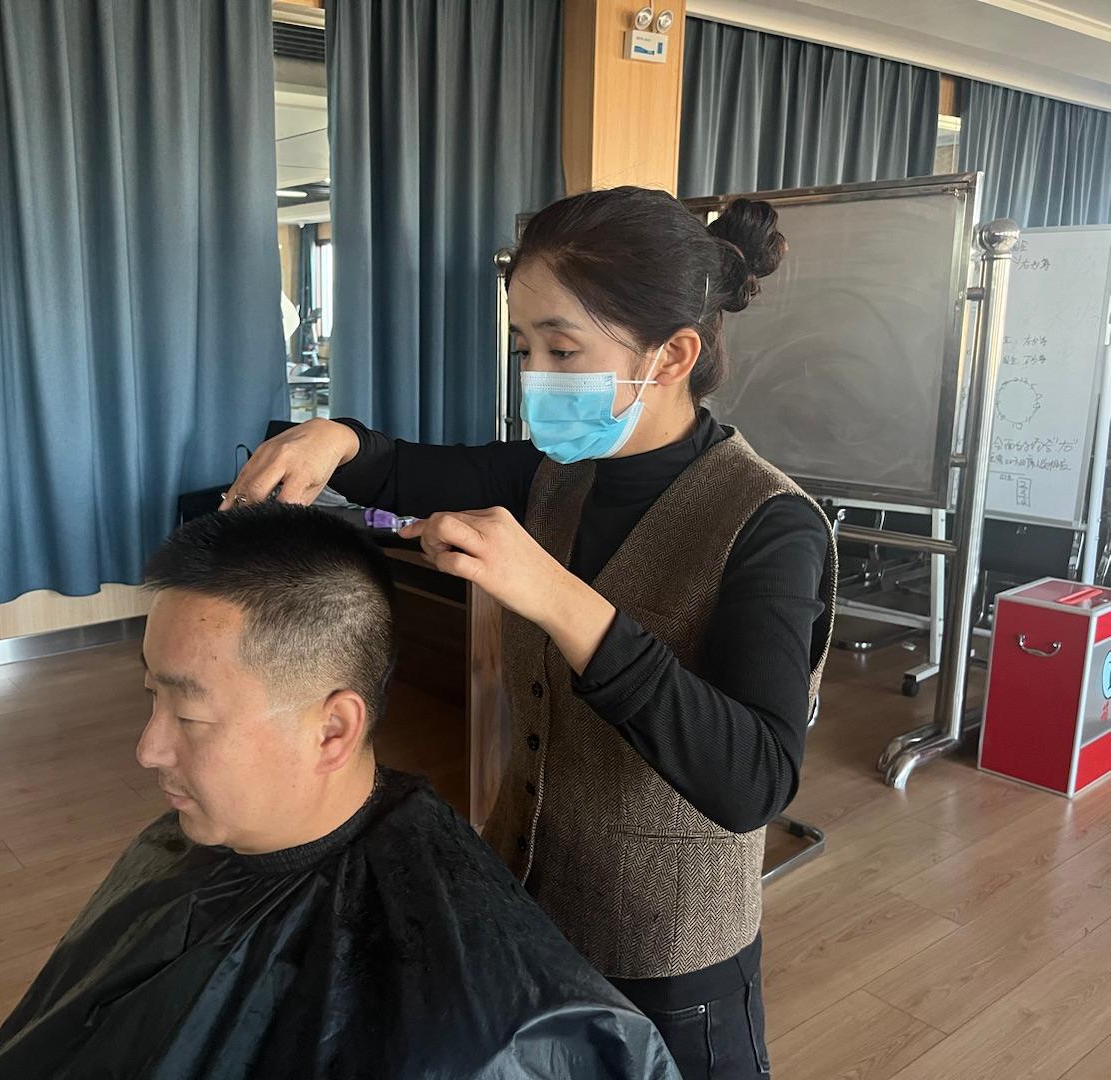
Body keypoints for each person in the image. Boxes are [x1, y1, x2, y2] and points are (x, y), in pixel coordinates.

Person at [221, 187, 837, 1079]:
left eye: (563, 348)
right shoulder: (554, 471)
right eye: (525, 349)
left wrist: (557, 596)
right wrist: (336, 439)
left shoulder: (770, 524)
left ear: (672, 355)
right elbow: (404, 467)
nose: (537, 375)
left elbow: (755, 780)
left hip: (669, 959)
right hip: (531, 906)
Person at [0, 502, 679, 1080]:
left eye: (189, 715)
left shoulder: (491, 1036)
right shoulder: (185, 846)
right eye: (153, 696)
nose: (147, 749)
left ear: (333, 730)